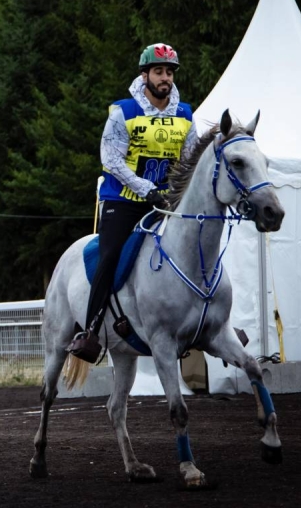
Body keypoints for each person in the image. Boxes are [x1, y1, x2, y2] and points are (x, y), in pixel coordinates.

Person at [67, 44, 199, 362]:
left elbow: (190, 160)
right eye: (158, 71)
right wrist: (146, 189)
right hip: (122, 202)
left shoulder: (185, 114)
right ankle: (91, 330)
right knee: (110, 254)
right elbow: (111, 161)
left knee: (198, 243)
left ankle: (209, 320)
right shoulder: (123, 112)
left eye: (169, 72)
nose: (165, 77)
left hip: (166, 200)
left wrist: (176, 192)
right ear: (145, 75)